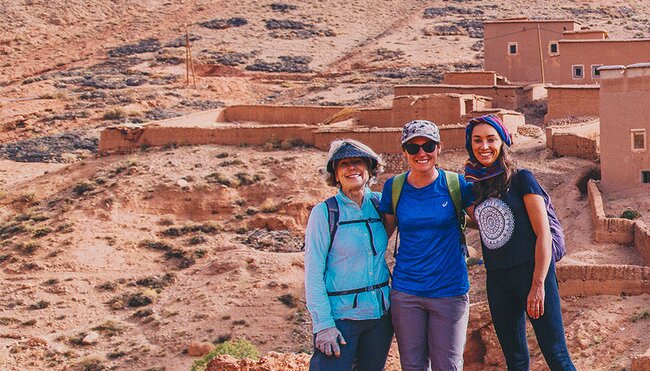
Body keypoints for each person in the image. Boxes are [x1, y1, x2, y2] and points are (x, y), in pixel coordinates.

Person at [464, 114, 576, 370]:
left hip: (533, 274)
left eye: (491, 139)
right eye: (477, 140)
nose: (484, 146)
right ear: (470, 145)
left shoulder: (521, 179)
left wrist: (538, 285)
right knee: (514, 360)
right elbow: (484, 223)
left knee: (556, 354)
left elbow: (543, 234)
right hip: (498, 281)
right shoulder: (473, 189)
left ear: (503, 142)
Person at [379, 120, 473, 371]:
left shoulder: (455, 184)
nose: (421, 153)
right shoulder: (394, 187)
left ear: (439, 148)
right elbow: (382, 237)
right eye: (413, 148)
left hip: (449, 291)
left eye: (428, 146)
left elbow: (487, 221)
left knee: (449, 366)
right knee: (412, 366)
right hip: (407, 291)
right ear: (404, 152)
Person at [304, 139, 393, 371]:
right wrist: (323, 325)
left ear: (370, 169)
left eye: (358, 162)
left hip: (379, 318)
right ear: (335, 173)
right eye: (344, 164)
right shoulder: (325, 213)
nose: (352, 168)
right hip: (341, 320)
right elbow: (313, 273)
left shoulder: (379, 203)